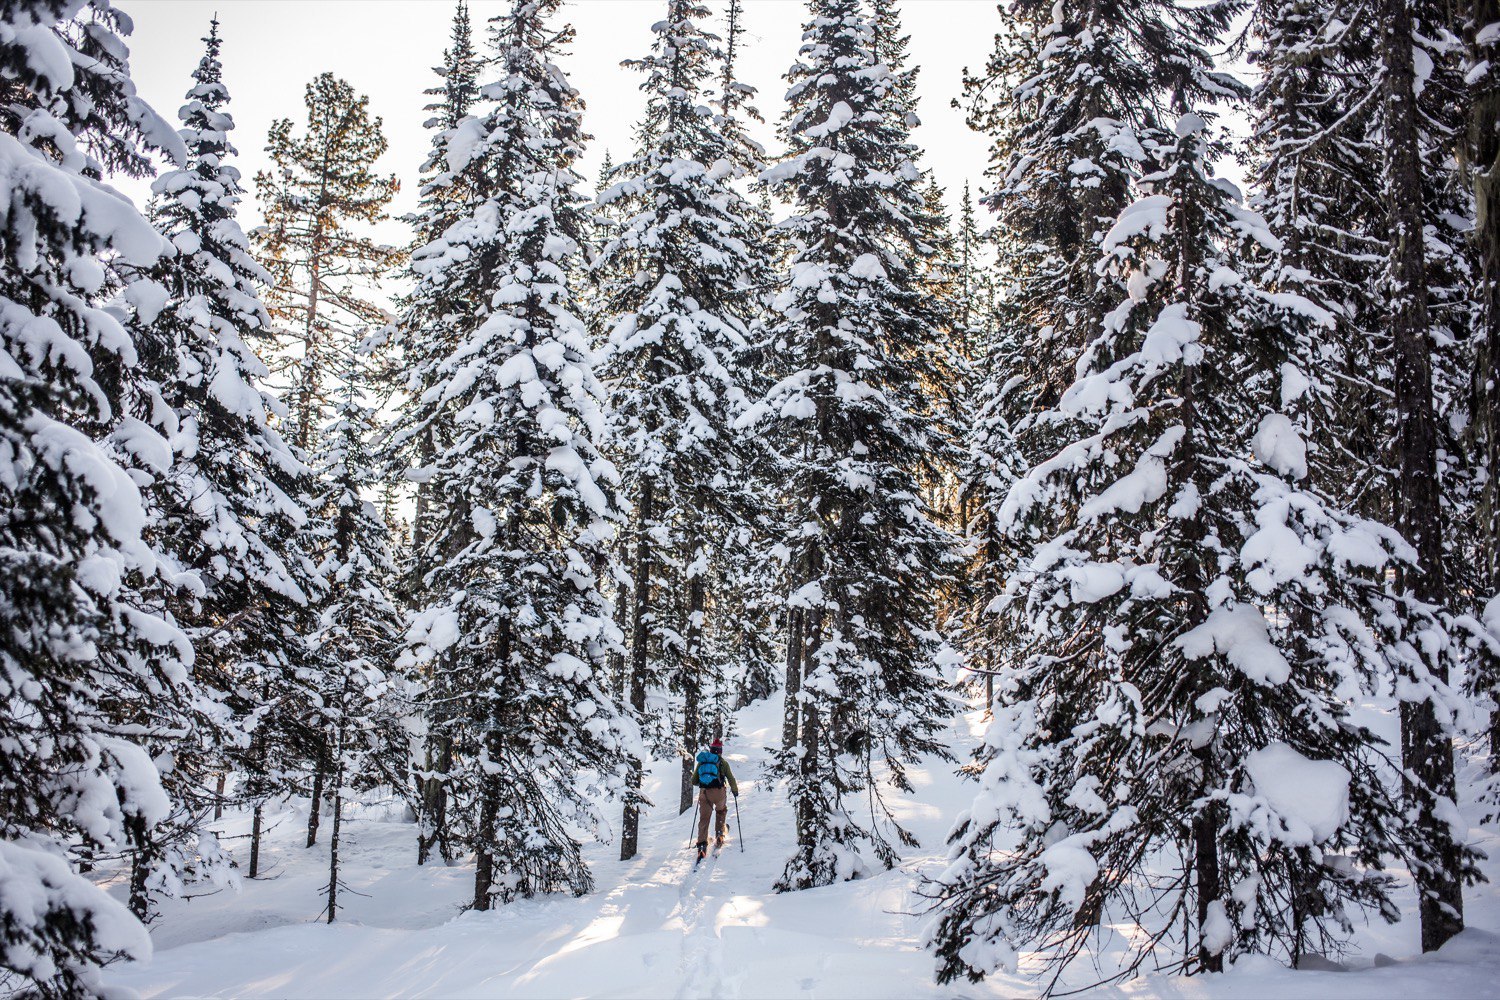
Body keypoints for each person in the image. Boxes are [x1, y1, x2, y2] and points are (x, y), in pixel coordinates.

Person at [693, 738, 737, 859]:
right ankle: (719, 834)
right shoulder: (723, 763)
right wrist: (735, 790)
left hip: (705, 794)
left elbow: (694, 781)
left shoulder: (702, 762)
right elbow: (731, 778)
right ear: (720, 751)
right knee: (721, 811)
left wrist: (704, 783)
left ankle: (702, 845)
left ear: (711, 750)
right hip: (719, 793)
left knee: (704, 818)